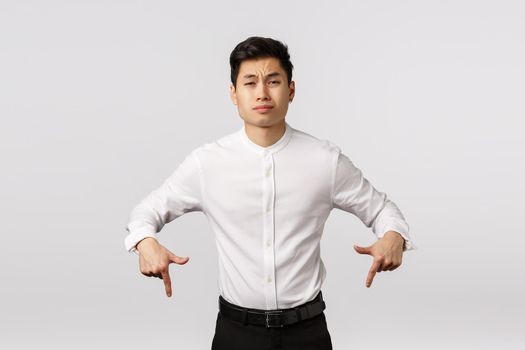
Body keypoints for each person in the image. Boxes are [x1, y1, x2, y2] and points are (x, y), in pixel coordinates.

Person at [124, 36, 417, 350]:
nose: (262, 92)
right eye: (250, 82)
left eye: (273, 81)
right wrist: (145, 241)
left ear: (291, 90)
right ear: (233, 94)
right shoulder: (207, 164)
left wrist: (393, 237)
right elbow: (146, 211)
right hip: (236, 333)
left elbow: (385, 211)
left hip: (307, 333)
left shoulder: (325, 161)